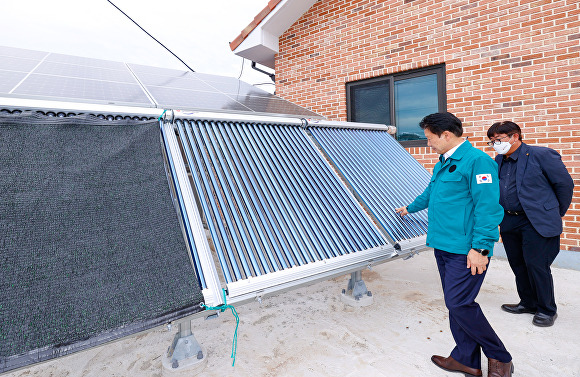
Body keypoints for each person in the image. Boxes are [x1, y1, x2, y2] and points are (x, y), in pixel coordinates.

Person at [396, 112, 513, 377]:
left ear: (446, 135)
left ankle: (500, 357)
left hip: (466, 249)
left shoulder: (478, 162)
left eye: (429, 139)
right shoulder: (443, 162)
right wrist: (410, 208)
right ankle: (466, 360)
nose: (428, 144)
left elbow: (488, 208)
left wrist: (481, 248)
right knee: (455, 303)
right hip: (443, 245)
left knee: (460, 304)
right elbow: (431, 192)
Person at [486, 121, 574, 327]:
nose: (496, 145)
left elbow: (564, 185)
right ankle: (528, 302)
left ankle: (546, 309)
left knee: (537, 265)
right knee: (518, 264)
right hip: (509, 220)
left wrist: (553, 212)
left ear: (515, 136)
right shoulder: (499, 160)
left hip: (535, 221)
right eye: (492, 142)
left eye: (498, 140)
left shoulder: (541, 155)